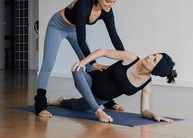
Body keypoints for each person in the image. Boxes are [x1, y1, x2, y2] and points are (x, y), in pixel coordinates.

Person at [35, 0, 125, 117]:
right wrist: (94, 62)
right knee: (48, 65)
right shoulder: (84, 6)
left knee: (90, 67)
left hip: (74, 29)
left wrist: (125, 56)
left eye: (113, 2)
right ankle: (40, 105)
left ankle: (107, 101)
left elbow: (114, 36)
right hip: (57, 26)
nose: (110, 6)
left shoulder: (107, 12)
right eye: (107, 1)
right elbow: (81, 40)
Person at [48, 48, 177, 123]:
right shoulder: (131, 58)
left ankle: (61, 101)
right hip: (91, 80)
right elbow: (103, 51)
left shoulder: (147, 86)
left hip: (99, 99)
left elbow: (144, 111)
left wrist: (153, 115)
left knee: (77, 106)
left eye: (154, 60)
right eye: (153, 54)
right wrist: (83, 62)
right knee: (76, 70)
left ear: (156, 70)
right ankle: (97, 110)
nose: (150, 56)